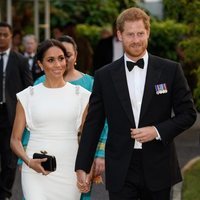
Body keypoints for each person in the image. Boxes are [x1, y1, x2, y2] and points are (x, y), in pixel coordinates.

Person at [75, 7, 197, 200]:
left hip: (159, 165)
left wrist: (156, 131)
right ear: (119, 35)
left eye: (140, 33)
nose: (136, 39)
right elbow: (93, 123)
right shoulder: (105, 75)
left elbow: (188, 114)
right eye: (130, 34)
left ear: (148, 32)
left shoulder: (170, 70)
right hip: (121, 167)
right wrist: (82, 165)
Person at [19, 35, 107, 200]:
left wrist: (98, 154)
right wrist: (23, 160)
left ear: (75, 56)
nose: (59, 63)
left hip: (72, 159)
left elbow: (98, 126)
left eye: (65, 56)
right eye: (52, 59)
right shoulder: (38, 84)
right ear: (42, 63)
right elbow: (29, 124)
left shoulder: (90, 85)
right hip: (39, 161)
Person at [0, 22, 33, 200]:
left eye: (5, 34)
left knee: (9, 158)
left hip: (10, 114)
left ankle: (4, 193)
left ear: (12, 37)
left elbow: (28, 87)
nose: (1, 38)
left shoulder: (19, 60)